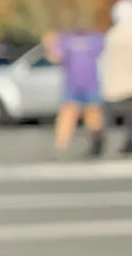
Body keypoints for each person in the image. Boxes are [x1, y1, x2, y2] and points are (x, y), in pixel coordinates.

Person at [93, 0, 132, 157]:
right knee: (131, 116)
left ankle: (98, 144)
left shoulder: (114, 34)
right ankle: (130, 144)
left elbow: (105, 57)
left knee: (107, 116)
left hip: (113, 80)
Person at [45, 23, 106, 157]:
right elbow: (55, 56)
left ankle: (92, 143)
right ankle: (62, 144)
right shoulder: (69, 39)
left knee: (90, 115)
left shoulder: (94, 38)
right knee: (70, 114)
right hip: (79, 85)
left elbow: (55, 57)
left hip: (86, 84)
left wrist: (50, 45)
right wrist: (50, 44)